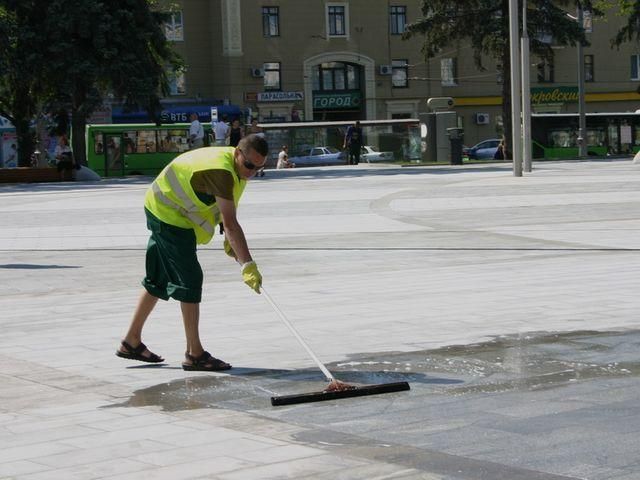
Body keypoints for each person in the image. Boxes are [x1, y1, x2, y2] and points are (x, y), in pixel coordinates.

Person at [115, 134, 268, 371]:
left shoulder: (236, 168)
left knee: (157, 278)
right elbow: (231, 223)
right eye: (249, 165)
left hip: (164, 208)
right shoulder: (222, 171)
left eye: (259, 168)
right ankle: (194, 353)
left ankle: (131, 342)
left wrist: (229, 238)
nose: (252, 172)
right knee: (190, 279)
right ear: (238, 153)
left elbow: (225, 208)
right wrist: (248, 264)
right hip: (168, 213)